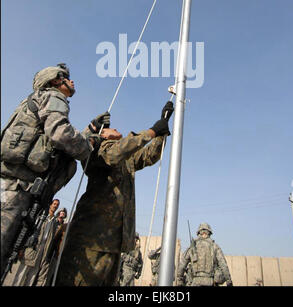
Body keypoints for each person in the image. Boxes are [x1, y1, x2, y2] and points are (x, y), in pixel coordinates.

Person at [1, 62, 109, 278]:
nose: (72, 81)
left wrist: (91, 129)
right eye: (66, 77)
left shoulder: (36, 99)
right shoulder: (54, 97)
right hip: (22, 188)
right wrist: (90, 145)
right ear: (55, 81)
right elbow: (60, 135)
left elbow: (53, 140)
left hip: (14, 184)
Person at [55, 101, 174, 286]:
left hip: (113, 242)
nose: (117, 128)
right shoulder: (96, 151)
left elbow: (150, 155)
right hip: (91, 239)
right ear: (101, 135)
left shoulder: (126, 159)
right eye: (110, 129)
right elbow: (118, 152)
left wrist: (163, 126)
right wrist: (151, 132)